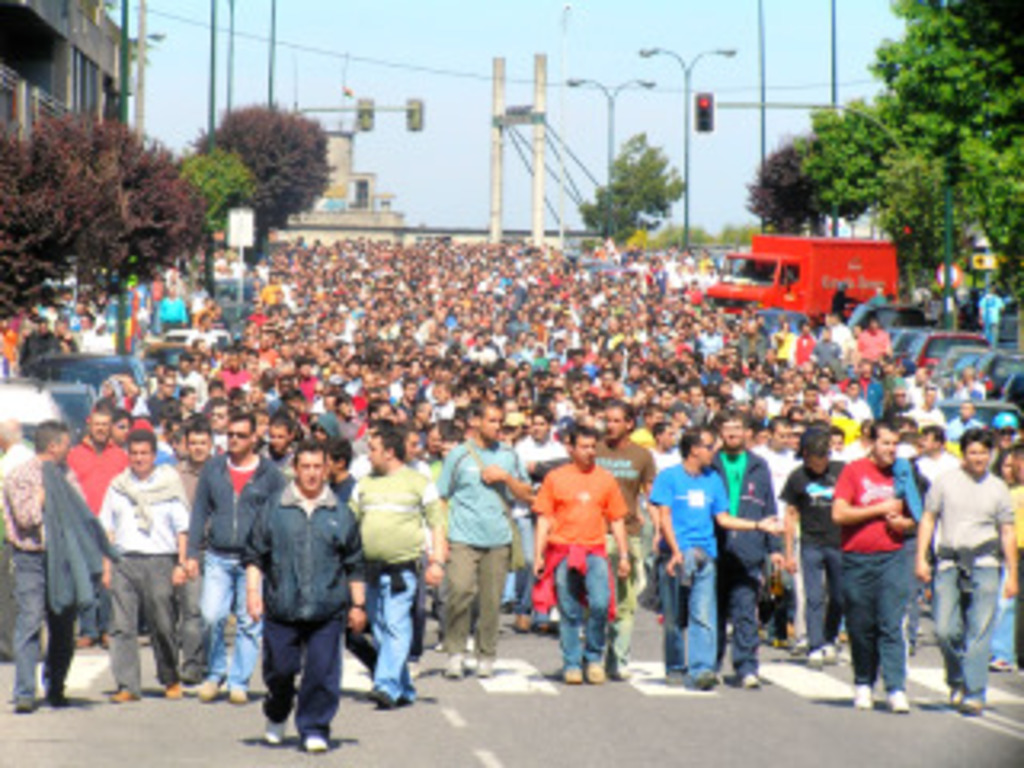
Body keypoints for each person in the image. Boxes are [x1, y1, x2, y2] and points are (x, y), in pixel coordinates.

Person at [244, 439, 367, 753]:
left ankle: (314, 726)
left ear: (326, 469)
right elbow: (256, 555)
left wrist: (358, 605)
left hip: (327, 610)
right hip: (282, 606)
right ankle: (277, 712)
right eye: (306, 467)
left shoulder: (340, 512)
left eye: (317, 467)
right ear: (295, 469)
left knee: (321, 671)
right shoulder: (275, 508)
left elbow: (354, 563)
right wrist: (253, 594)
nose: (312, 474)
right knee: (280, 670)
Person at [4, 421, 112, 712]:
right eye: (66, 444)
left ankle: (56, 685)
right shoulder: (21, 475)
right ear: (53, 446)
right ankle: (25, 690)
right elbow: (25, 518)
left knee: (63, 623)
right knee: (29, 621)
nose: (70, 450)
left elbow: (80, 509)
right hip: (31, 558)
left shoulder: (66, 475)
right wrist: (42, 498)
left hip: (62, 557)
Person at [186, 409, 286, 704]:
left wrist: (275, 558)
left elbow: (279, 516)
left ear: (254, 438)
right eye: (229, 435)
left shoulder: (270, 474)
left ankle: (239, 681)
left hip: (253, 562)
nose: (233, 440)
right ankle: (215, 673)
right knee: (210, 615)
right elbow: (200, 511)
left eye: (241, 435)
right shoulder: (214, 468)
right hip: (217, 556)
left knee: (249, 622)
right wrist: (192, 552)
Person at [916, 428, 1018, 715]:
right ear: (963, 454)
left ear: (991, 454)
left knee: (980, 628)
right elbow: (928, 519)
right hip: (949, 563)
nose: (979, 458)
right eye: (973, 452)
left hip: (986, 563)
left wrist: (1011, 574)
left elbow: (1007, 531)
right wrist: (921, 558)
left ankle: (975, 691)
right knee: (945, 629)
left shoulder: (998, 487)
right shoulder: (945, 482)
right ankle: (956, 678)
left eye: (984, 453)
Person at [349, 425, 444, 709]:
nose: (368, 456)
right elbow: (349, 523)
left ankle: (385, 685)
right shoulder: (363, 484)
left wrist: (437, 562)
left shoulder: (419, 483)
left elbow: (437, 524)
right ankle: (404, 688)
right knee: (379, 629)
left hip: (403, 571)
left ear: (390, 452)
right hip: (370, 571)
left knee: (395, 625)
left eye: (374, 450)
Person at [438, 402, 533, 680]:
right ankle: (456, 651)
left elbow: (527, 493)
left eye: (500, 422)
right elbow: (443, 496)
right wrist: (441, 537)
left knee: (491, 601)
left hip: (498, 537)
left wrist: (504, 477)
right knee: (460, 591)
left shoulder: (508, 455)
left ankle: (486, 654)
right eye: (492, 420)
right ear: (476, 422)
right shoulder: (458, 455)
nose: (497, 426)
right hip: (463, 537)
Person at [532, 425, 629, 685]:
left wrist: (623, 555)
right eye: (584, 447)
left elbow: (617, 519)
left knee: (600, 603)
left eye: (592, 447)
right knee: (569, 609)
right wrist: (539, 555)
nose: (589, 452)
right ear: (570, 448)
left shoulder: (605, 478)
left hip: (595, 550)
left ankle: (594, 657)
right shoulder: (555, 478)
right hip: (563, 550)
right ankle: (572, 663)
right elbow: (543, 517)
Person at [99, 428, 191, 702]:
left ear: (154, 456)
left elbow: (182, 529)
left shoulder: (169, 484)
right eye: (134, 453)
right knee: (122, 626)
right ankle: (127, 685)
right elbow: (108, 529)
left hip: (160, 560)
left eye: (144, 454)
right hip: (124, 561)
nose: (139, 459)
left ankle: (170, 677)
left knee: (162, 623)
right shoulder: (117, 486)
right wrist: (107, 567)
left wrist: (181, 564)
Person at [832, 420, 916, 713]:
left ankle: (895, 687)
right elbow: (839, 514)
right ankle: (864, 682)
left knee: (891, 623)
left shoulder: (903, 471)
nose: (892, 449)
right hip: (857, 557)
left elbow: (915, 516)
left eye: (895, 443)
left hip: (892, 555)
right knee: (861, 625)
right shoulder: (853, 471)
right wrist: (878, 510)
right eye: (886, 443)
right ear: (871, 444)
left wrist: (903, 523)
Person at [650, 428, 739, 690]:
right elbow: (664, 516)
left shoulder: (713, 479)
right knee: (674, 616)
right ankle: (675, 666)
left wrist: (759, 526)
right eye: (710, 446)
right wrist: (676, 551)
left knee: (703, 614)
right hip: (675, 555)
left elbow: (723, 518)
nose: (715, 452)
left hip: (705, 555)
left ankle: (702, 669)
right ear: (694, 450)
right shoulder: (669, 478)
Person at [711, 411, 784, 688]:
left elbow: (769, 507)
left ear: (747, 433)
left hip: (749, 550)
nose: (731, 433)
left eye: (737, 428)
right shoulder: (712, 464)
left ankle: (746, 666)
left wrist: (774, 547)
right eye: (726, 427)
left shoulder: (758, 465)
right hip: (715, 547)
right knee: (714, 611)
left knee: (745, 610)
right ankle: (712, 664)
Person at [595, 400, 656, 681]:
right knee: (596, 599)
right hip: (594, 533)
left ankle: (619, 659)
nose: (610, 425)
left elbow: (651, 496)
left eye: (617, 420)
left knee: (625, 602)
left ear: (630, 424)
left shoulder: (642, 456)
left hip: (628, 535)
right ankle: (593, 656)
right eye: (608, 420)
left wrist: (657, 530)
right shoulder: (594, 450)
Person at [67, 402, 129, 649]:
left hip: (111, 526)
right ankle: (88, 629)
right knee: (84, 578)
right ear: (89, 426)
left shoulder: (120, 456)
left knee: (108, 580)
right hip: (82, 523)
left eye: (105, 425)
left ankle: (106, 628)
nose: (101, 429)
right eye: (97, 425)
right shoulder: (74, 454)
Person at [781, 430, 845, 670]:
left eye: (823, 461)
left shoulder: (841, 471)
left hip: (839, 542)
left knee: (839, 596)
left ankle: (830, 638)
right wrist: (789, 553)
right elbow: (791, 515)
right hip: (811, 543)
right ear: (806, 457)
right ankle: (815, 644)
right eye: (814, 462)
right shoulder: (797, 477)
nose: (819, 467)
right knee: (814, 596)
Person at [174, 417, 212, 686]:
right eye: (194, 443)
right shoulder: (175, 475)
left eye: (203, 443)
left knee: (213, 613)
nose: (198, 448)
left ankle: (211, 662)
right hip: (190, 550)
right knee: (191, 610)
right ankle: (191, 664)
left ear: (211, 445)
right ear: (186, 445)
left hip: (219, 549)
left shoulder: (220, 471)